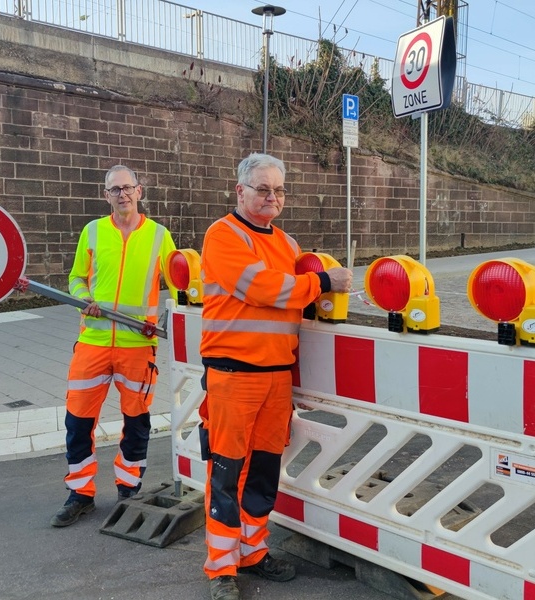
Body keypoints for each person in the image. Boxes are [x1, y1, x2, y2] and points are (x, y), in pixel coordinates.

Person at [199, 153, 353, 600]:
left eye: (279, 190)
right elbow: (261, 289)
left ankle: (253, 551)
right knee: (228, 472)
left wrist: (320, 291)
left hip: (275, 377)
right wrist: (324, 283)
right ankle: (221, 568)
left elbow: (293, 300)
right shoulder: (223, 235)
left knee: (264, 472)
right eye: (263, 189)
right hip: (233, 375)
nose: (272, 197)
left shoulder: (287, 245)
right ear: (240, 191)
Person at [50, 165, 176, 527]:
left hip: (138, 344)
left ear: (140, 191)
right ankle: (80, 493)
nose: (122, 194)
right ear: (105, 195)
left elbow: (181, 282)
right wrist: (84, 297)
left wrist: (176, 317)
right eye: (114, 189)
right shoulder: (92, 232)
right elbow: (75, 278)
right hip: (93, 341)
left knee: (137, 421)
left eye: (127, 187)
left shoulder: (158, 236)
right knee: (77, 421)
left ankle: (129, 489)